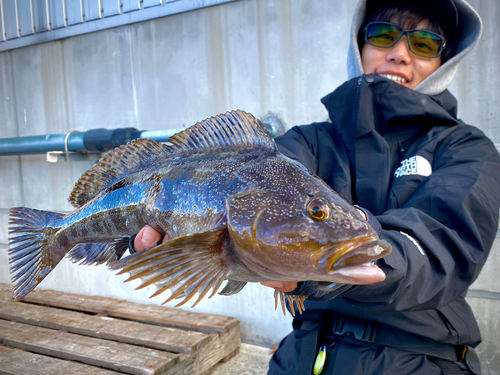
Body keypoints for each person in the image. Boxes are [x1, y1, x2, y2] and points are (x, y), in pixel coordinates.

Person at [130, 0, 500, 374]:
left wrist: (326, 268)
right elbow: (247, 222)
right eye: (384, 35)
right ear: (360, 45)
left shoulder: (468, 149)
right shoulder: (305, 144)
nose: (401, 53)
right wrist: (209, 261)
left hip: (426, 356)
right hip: (306, 352)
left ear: (444, 60)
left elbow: (444, 251)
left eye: (423, 43)